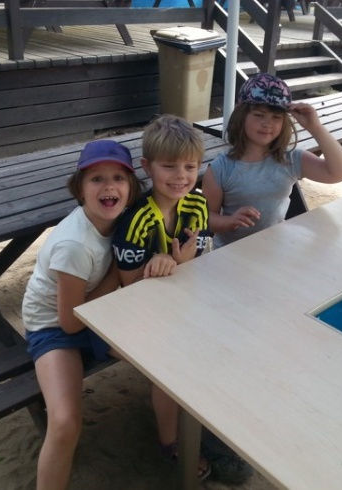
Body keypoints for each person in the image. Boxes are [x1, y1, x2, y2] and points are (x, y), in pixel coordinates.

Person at [21, 139, 141, 490]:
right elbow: (71, 322)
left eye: (118, 178)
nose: (109, 187)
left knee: (166, 364)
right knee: (64, 422)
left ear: (131, 187)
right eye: (96, 179)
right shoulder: (74, 245)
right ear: (79, 188)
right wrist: (116, 274)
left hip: (95, 310)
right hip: (54, 327)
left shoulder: (125, 219)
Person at [112, 114, 213, 480]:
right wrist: (167, 263)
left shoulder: (197, 204)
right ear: (147, 167)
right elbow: (128, 288)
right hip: (140, 312)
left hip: (185, 298)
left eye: (190, 167)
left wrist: (177, 262)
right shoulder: (136, 220)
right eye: (169, 166)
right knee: (169, 367)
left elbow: (199, 261)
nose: (181, 176)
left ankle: (205, 417)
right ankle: (171, 441)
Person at [202, 72, 342, 248]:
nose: (267, 123)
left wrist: (315, 127)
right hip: (230, 253)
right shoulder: (220, 168)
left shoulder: (291, 159)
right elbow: (205, 218)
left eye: (276, 117)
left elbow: (341, 172)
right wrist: (230, 221)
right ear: (241, 116)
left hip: (275, 248)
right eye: (259, 115)